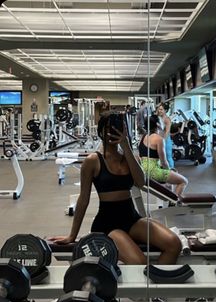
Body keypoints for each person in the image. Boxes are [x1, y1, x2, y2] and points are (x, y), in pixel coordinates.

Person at [49, 111, 181, 265]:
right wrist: (72, 236)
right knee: (139, 263)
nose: (113, 132)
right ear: (101, 132)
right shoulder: (93, 161)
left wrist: (126, 147)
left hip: (132, 219)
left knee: (174, 244)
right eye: (109, 129)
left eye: (118, 128)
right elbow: (83, 199)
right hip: (108, 225)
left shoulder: (131, 158)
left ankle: (157, 283)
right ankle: (148, 285)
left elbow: (140, 182)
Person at [138, 115, 188, 197]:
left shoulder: (143, 137)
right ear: (158, 124)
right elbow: (164, 162)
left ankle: (170, 199)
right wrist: (169, 170)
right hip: (153, 172)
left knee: (171, 176)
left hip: (143, 171)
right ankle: (173, 203)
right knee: (183, 181)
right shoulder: (159, 139)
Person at [156, 102, 175, 169]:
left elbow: (167, 132)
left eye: (161, 109)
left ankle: (172, 172)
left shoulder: (167, 119)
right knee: (159, 158)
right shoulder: (158, 118)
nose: (159, 111)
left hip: (166, 141)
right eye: (159, 109)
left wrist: (163, 141)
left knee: (168, 157)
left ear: (166, 110)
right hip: (159, 140)